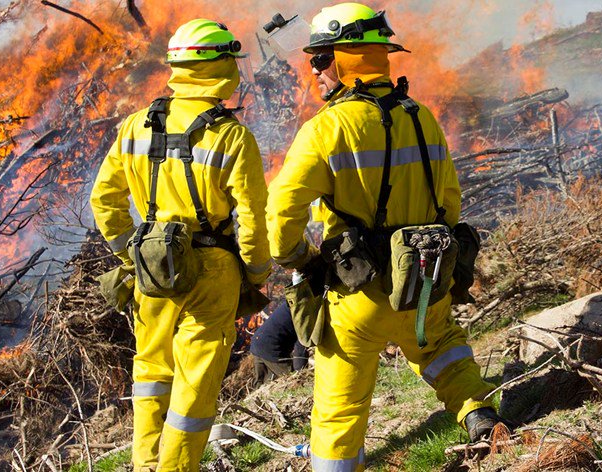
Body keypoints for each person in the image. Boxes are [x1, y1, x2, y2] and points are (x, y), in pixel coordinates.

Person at [266, 3, 507, 470]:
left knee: (339, 407)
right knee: (441, 347)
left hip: (359, 296)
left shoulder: (326, 128)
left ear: (346, 58)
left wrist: (300, 258)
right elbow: (450, 202)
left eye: (320, 59)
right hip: (424, 279)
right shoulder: (422, 116)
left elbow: (281, 211)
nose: (313, 69)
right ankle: (478, 413)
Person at [89, 19, 271, 471]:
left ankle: (146, 466)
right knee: (195, 385)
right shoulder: (231, 135)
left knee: (151, 375)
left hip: (151, 268)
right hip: (214, 270)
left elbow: (104, 198)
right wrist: (257, 273)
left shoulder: (135, 126)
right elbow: (250, 218)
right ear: (221, 67)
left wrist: (130, 251)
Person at [249, 302, 311, 384]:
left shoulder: (293, 300)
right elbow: (301, 347)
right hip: (271, 347)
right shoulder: (306, 310)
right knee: (291, 382)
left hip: (258, 341)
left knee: (261, 386)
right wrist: (300, 375)